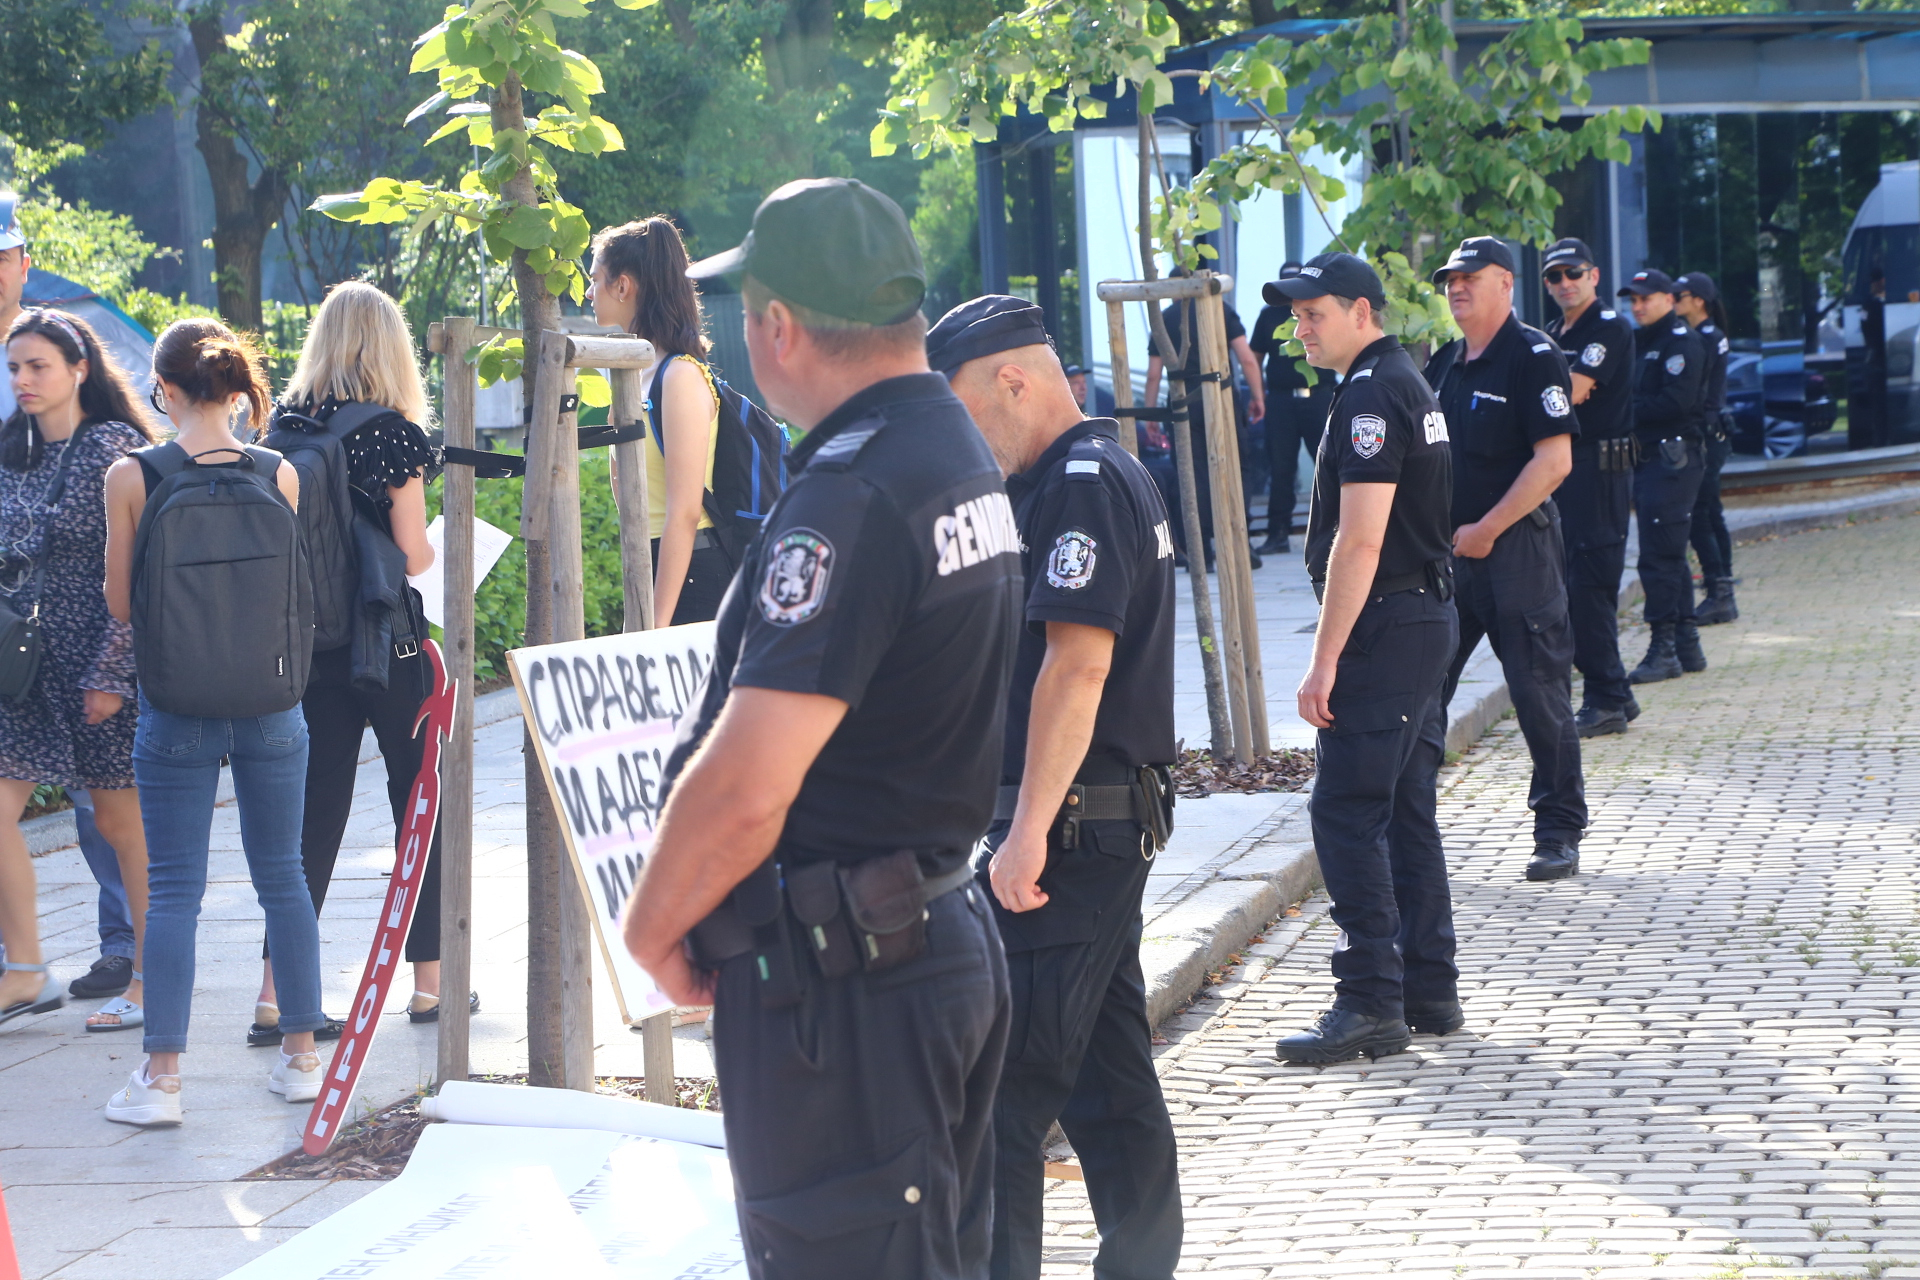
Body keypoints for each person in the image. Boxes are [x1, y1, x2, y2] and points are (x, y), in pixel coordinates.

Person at [620, 178, 1020, 1280]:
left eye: (747, 313)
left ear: (780, 326)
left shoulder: (855, 487)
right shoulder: (946, 444)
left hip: (851, 988)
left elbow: (748, 780)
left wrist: (652, 927)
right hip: (920, 935)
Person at [930, 296, 1183, 1280]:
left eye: (958, 407)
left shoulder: (1080, 481)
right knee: (1107, 1086)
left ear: (1013, 380)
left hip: (1069, 838)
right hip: (1090, 831)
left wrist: (1027, 828)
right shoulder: (1063, 480)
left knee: (998, 1100)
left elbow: (1077, 667)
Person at [100, 319, 325, 1125]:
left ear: (162, 389)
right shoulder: (280, 473)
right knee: (284, 878)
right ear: (236, 390)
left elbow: (122, 604)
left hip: (177, 706)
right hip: (272, 703)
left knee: (173, 893)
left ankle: (162, 1080)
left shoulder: (135, 475)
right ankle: (301, 1061)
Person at [1271, 253, 1458, 1063]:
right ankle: (1428, 989)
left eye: (1315, 314)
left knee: (1346, 812)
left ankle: (1371, 1000)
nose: (1301, 328)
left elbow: (1363, 535)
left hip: (1388, 623)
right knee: (1404, 807)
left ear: (1361, 311)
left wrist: (1324, 660)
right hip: (1418, 615)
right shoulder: (1397, 378)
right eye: (1298, 315)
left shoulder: (1375, 393)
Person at [255, 281, 449, 1043]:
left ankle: (276, 994)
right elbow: (412, 554)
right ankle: (429, 985)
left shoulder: (283, 430)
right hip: (390, 645)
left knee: (309, 819)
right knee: (418, 801)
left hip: (309, 648)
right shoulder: (394, 436)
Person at [0, 309, 155, 1033]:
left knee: (123, 825)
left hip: (96, 664)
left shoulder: (113, 449)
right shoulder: (14, 453)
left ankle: (154, 978)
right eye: (14, 369)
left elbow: (143, 573)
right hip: (23, 671)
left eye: (37, 367)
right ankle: (27, 968)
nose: (23, 381)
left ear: (80, 369)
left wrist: (113, 673)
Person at [1424, 238, 1587, 883]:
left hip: (1516, 550)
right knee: (1421, 690)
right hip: (1448, 559)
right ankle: (1408, 822)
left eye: (1469, 277)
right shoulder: (1443, 364)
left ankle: (1558, 830)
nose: (1456, 288)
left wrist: (1489, 528)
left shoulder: (1534, 356)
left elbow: (1555, 460)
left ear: (1505, 284)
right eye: (1449, 280)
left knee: (1537, 692)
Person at [587, 217, 729, 624]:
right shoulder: (639, 374)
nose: (588, 291)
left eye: (595, 279)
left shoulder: (680, 376)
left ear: (623, 286)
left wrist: (654, 626)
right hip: (656, 564)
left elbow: (684, 513)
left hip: (694, 577)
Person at [1540, 238, 1641, 739]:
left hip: (1599, 474)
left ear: (1593, 276)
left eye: (1573, 273)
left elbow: (1572, 393)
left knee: (1589, 589)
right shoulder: (1554, 332)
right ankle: (1615, 691)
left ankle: (1604, 700)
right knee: (1569, 586)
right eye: (1554, 276)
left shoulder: (1609, 328)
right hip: (1567, 473)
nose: (1564, 284)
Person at [1617, 269, 1709, 684]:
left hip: (1673, 457)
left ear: (1669, 300)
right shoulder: (1638, 341)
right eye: (1633, 300)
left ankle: (1664, 647)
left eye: (1646, 299)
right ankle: (1686, 644)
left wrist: (1624, 412)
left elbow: (1675, 401)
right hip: (1650, 457)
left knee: (1659, 554)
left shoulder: (1681, 342)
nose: (1638, 307)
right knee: (1668, 548)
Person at [1143, 267, 1266, 569]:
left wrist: (1149, 415)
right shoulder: (1220, 309)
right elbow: (1247, 358)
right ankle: (1240, 539)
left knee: (1191, 471)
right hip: (1221, 398)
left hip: (1182, 402)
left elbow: (1153, 374)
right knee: (1236, 466)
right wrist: (1258, 397)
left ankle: (1203, 550)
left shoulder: (1165, 319)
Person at [1249, 263, 1335, 554]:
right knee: (1281, 467)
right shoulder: (1269, 314)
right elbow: (1255, 356)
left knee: (1330, 464)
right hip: (1282, 399)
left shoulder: (1320, 311)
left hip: (1319, 396)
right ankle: (1278, 534)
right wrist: (1258, 395)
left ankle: (1337, 529)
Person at [1675, 271, 1737, 625]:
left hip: (1707, 434)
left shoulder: (1705, 338)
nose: (1674, 300)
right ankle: (1721, 589)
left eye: (1680, 295)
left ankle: (1719, 592)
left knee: (1703, 514)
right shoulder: (1708, 335)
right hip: (1711, 432)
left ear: (1698, 300)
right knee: (1709, 512)